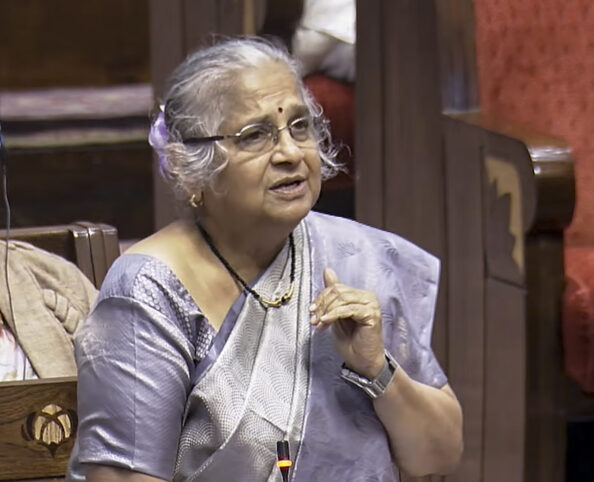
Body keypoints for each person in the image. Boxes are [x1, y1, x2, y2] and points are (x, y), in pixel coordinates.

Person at [67, 37, 462, 481]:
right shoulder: (148, 292)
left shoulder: (360, 258)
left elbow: (440, 456)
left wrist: (376, 370)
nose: (291, 153)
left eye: (300, 126)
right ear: (191, 167)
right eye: (255, 136)